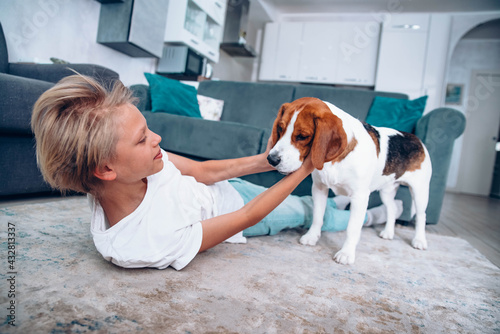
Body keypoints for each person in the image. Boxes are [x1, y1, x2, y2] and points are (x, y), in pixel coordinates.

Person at [31, 74, 401, 270]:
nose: (157, 138)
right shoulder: (143, 242)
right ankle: (374, 214)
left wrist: (267, 160)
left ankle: (346, 206)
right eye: (143, 138)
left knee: (312, 199)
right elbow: (247, 215)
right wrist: (306, 166)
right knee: (305, 211)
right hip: (239, 214)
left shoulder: (140, 168)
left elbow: (206, 171)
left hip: (225, 188)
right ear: (105, 169)